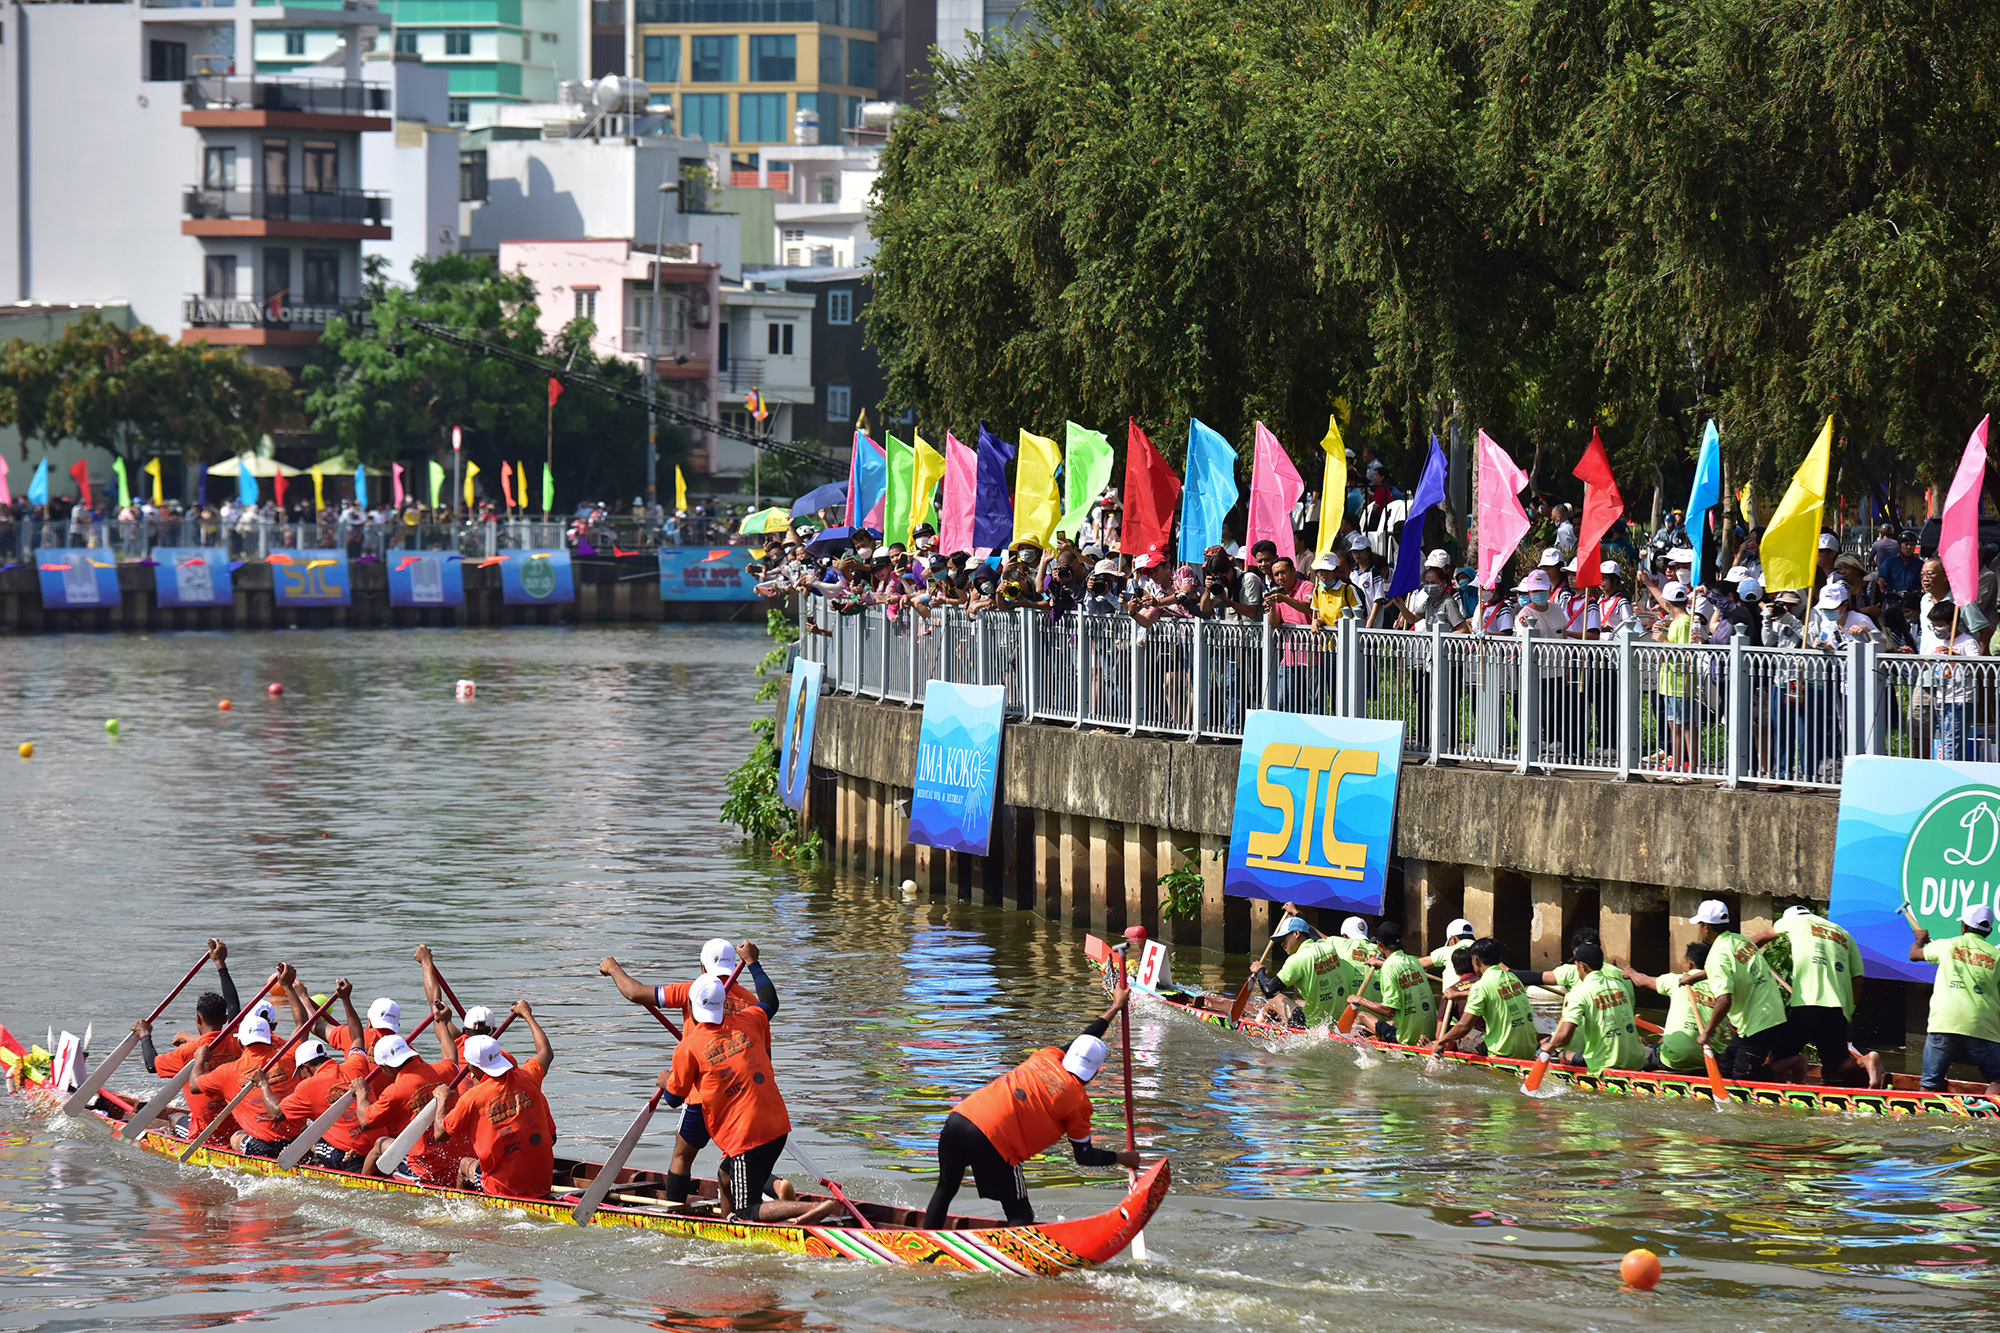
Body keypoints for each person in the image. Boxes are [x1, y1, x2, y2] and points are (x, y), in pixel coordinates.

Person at [922, 982, 1143, 1229]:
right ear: (1094, 1073)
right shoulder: (1078, 1102)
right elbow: (1084, 1156)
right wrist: (1124, 1158)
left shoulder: (1046, 1057)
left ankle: (925, 1246)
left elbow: (1081, 1041)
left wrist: (1114, 1008)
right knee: (1021, 1214)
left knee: (946, 1187)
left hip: (959, 1118)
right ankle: (1013, 1263)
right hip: (995, 1140)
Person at [659, 967, 840, 1224]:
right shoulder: (750, 1018)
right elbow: (770, 1001)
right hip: (778, 1126)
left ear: (690, 1006)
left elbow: (673, 1099)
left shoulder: (687, 1047)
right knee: (724, 1176)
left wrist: (665, 1080)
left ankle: (805, 1209)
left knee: (747, 1210)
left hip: (746, 1138)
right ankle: (728, 1228)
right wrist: (754, 964)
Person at [599, 940, 770, 1208]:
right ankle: (772, 1188)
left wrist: (613, 969)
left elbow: (634, 993)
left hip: (701, 1096)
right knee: (741, 1156)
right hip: (742, 1097)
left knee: (682, 1156)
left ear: (703, 966)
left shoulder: (692, 991)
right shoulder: (752, 1005)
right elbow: (764, 1059)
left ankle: (675, 1212)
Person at [427, 1000, 557, 1198]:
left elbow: (439, 1134)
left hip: (502, 1190)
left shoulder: (472, 1098)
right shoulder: (527, 1075)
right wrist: (527, 1015)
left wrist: (442, 1099)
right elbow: (546, 1053)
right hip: (543, 1183)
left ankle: (463, 1213)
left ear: (470, 1067)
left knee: (464, 1164)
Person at [1748, 905, 1883, 1086]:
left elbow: (1758, 939)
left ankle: (1782, 1095)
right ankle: (1866, 1060)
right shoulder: (1843, 933)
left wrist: (1746, 964)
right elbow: (1857, 980)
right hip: (1837, 1009)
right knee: (1836, 1067)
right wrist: (1849, 1010)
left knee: (1778, 1059)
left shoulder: (1794, 921)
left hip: (1806, 1005)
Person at [188, 964, 312, 1157]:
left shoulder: (228, 1072)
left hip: (265, 1147)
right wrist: (288, 987)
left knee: (235, 1137)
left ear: (241, 1042)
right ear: (270, 1034)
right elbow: (303, 1026)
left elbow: (195, 1085)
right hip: (297, 1139)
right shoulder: (288, 1053)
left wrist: (199, 1060)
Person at [133, 938, 242, 1140]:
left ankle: (166, 1130)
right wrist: (221, 965)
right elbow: (235, 1008)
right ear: (225, 1019)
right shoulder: (238, 1041)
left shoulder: (188, 1051)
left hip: (204, 1136)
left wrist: (144, 1035)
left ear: (198, 1019)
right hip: (239, 1128)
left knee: (175, 1116)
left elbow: (151, 1066)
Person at [1690, 899, 1800, 1079]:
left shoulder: (1717, 955)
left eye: (1699, 925)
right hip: (1767, 1016)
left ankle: (1796, 1062)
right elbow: (1727, 968)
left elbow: (1724, 1000)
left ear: (1706, 927)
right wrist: (1697, 976)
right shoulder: (1740, 941)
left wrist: (1707, 1033)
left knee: (1744, 1078)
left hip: (1760, 1022)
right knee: (1725, 1071)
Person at [1907, 903, 2000, 1096]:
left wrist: (1920, 941)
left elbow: (1914, 955)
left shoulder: (1947, 944)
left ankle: (1924, 1113)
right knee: (1998, 1079)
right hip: (1982, 1025)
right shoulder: (1996, 956)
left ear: (1963, 926)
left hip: (1945, 1022)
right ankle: (1990, 1116)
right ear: (1989, 931)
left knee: (1930, 1083)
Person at [1626, 943, 1732, 1074]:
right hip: (1704, 1058)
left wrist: (1631, 973)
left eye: (1684, 961)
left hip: (1675, 1059)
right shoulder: (1722, 988)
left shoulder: (1678, 980)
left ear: (1690, 965)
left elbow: (1642, 981)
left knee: (1629, 1056)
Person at [1539, 944, 1644, 1075]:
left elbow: (1565, 1037)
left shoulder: (1578, 994)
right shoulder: (1619, 985)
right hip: (1637, 1059)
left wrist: (1551, 1046)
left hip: (1605, 1063)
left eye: (1576, 965)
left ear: (1582, 966)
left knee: (1563, 1055)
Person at [1248, 910, 1363, 1028]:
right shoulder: (1328, 946)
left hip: (1310, 1025)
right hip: (1338, 1021)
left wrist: (1260, 971)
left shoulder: (1296, 960)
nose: (1282, 944)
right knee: (1298, 1002)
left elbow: (1268, 990)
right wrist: (1296, 913)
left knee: (1274, 1000)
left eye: (1284, 938)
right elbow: (1313, 934)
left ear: (1296, 933)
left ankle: (1253, 1027)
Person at [1430, 938, 1537, 1059]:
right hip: (1529, 1048)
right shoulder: (1512, 977)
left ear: (1475, 960)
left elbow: (1463, 1027)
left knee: (1459, 1035)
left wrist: (1440, 1043)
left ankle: (1431, 1045)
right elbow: (1493, 993)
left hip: (1502, 1052)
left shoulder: (1481, 987)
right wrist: (1459, 995)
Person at [1345, 920, 1435, 1043]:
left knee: (1362, 1016)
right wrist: (1381, 964)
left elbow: (1388, 1011)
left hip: (1406, 1039)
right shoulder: (1413, 961)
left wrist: (1360, 1000)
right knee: (1391, 1021)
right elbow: (1397, 967)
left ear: (1379, 945)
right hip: (1429, 1034)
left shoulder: (1388, 967)